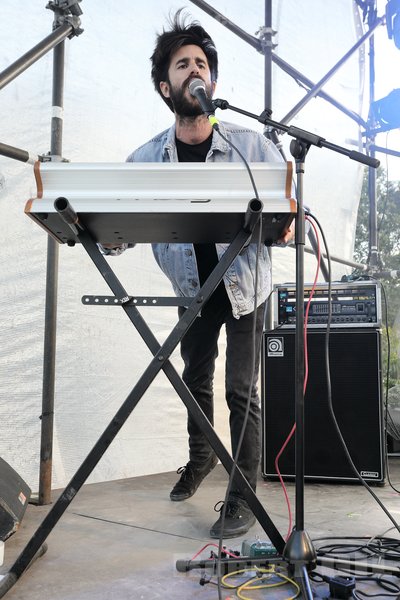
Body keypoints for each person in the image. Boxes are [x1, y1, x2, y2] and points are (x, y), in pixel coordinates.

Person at [104, 9, 293, 539]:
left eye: (203, 63)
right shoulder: (145, 159)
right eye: (183, 64)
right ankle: (201, 457)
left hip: (245, 288)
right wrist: (111, 238)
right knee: (194, 382)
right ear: (166, 86)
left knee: (241, 391)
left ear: (213, 81)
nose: (196, 71)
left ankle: (243, 495)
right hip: (193, 290)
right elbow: (121, 227)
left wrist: (283, 225)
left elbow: (286, 217)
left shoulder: (251, 146)